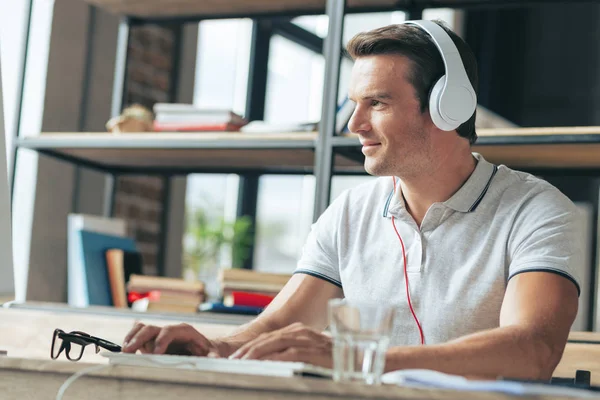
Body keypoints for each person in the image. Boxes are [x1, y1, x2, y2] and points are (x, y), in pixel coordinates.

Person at [122, 20, 581, 381]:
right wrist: (214, 347)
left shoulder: (535, 209)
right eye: (353, 104)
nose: (353, 124)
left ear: (449, 106)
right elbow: (279, 322)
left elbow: (532, 350)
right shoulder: (350, 211)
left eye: (376, 103)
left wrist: (358, 358)